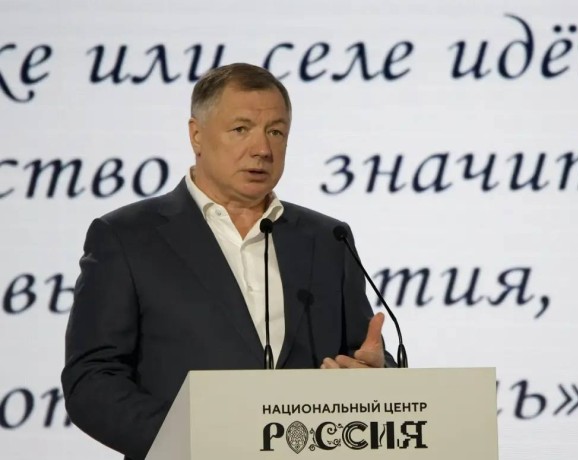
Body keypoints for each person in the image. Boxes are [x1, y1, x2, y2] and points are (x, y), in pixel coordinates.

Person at [61, 63, 395, 460]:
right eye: (241, 129)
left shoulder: (327, 238)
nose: (262, 149)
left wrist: (378, 377)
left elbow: (359, 353)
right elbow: (92, 381)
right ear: (196, 135)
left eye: (276, 132)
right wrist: (192, 443)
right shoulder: (126, 237)